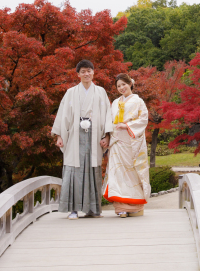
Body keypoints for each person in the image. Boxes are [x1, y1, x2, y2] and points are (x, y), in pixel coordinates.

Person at [51, 59, 113, 219]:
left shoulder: (100, 92)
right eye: (83, 71)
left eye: (89, 70)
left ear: (93, 72)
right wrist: (59, 135)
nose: (86, 74)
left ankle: (93, 209)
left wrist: (107, 135)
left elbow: (108, 114)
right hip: (74, 134)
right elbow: (62, 114)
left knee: (93, 169)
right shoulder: (71, 92)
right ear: (78, 74)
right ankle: (73, 209)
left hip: (95, 133)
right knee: (74, 169)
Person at [101, 73, 151, 217]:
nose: (122, 88)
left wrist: (128, 125)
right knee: (117, 173)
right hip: (116, 142)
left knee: (132, 173)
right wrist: (107, 136)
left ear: (130, 84)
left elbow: (143, 119)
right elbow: (109, 121)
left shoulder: (138, 101)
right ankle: (121, 208)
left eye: (124, 84)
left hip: (131, 142)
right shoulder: (115, 102)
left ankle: (135, 206)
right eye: (118, 86)